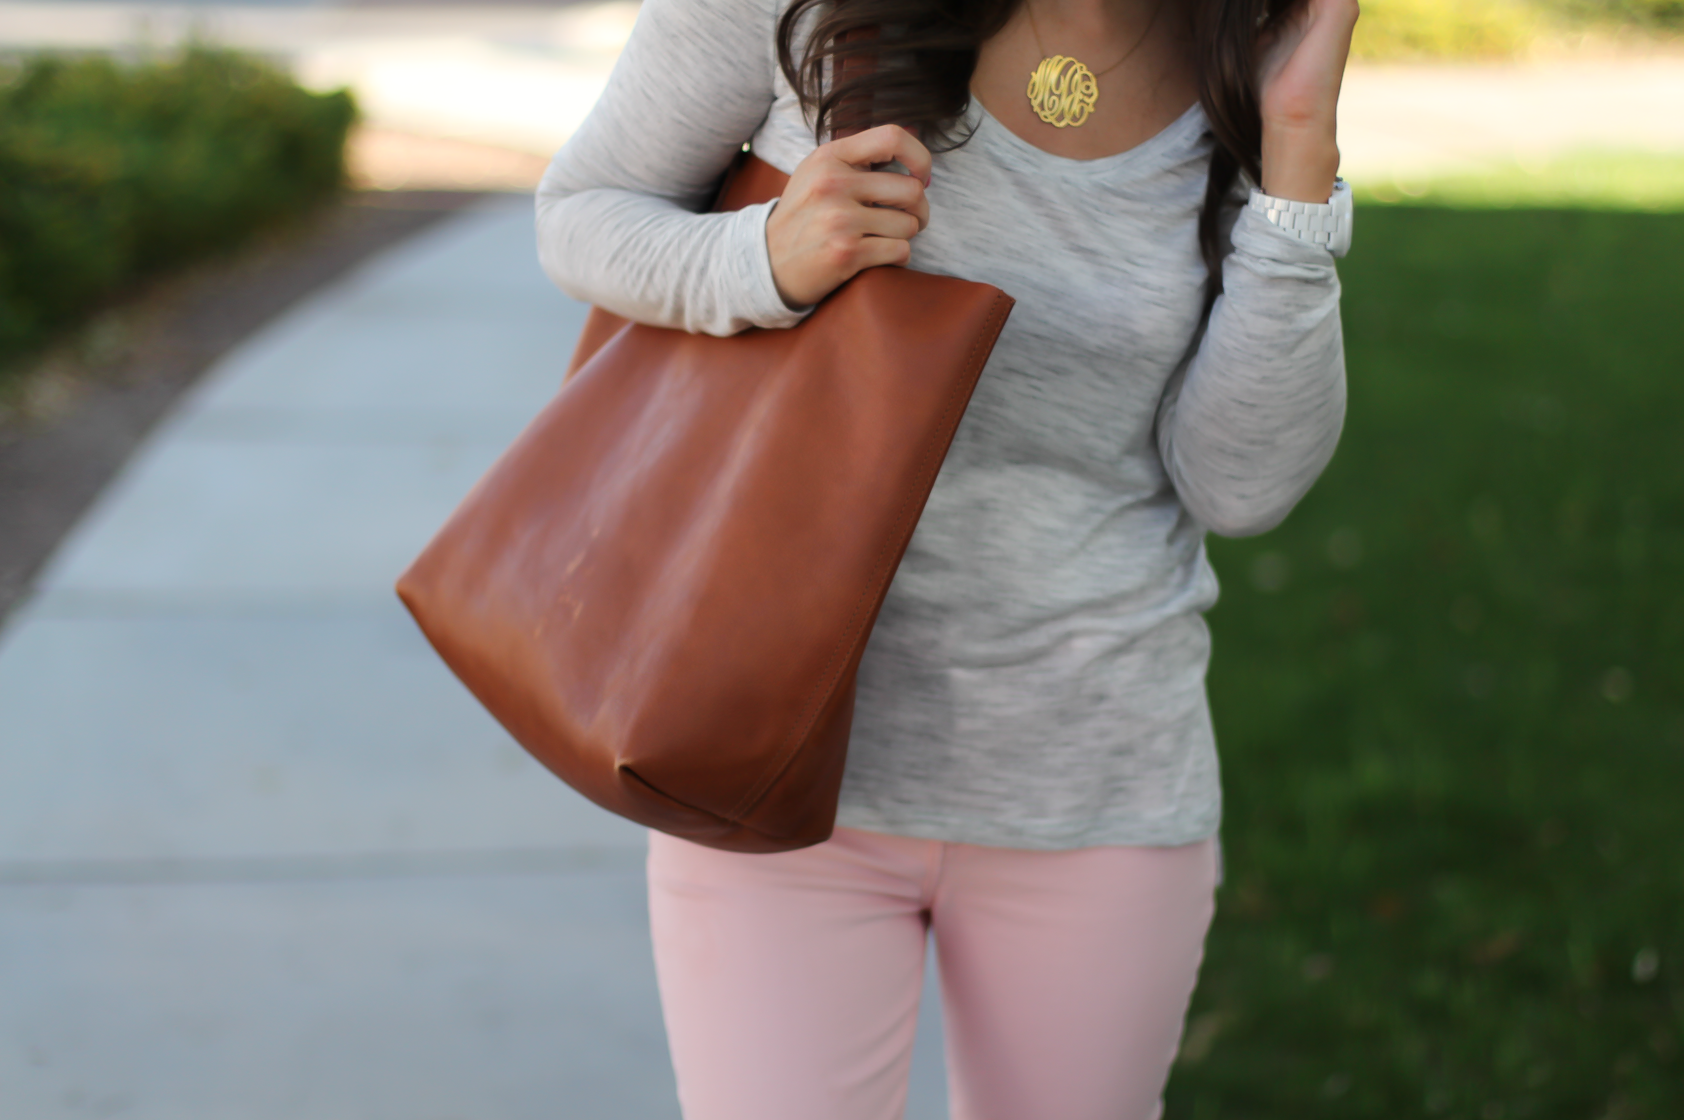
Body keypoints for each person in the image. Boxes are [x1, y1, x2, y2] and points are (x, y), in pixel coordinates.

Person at [535, 0, 1356, 1115]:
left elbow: (1239, 481)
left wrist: (1296, 158)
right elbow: (580, 213)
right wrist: (762, 258)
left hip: (1097, 779)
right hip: (772, 753)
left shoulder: (1240, 58)